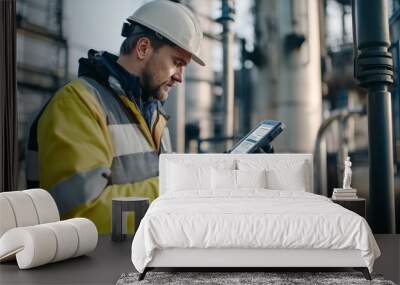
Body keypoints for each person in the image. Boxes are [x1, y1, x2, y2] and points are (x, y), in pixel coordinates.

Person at [25, 0, 205, 233]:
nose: (180, 77)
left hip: (139, 257)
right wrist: (175, 191)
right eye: (177, 63)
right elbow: (82, 213)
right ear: (143, 48)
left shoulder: (155, 116)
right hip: (96, 267)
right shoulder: (78, 104)